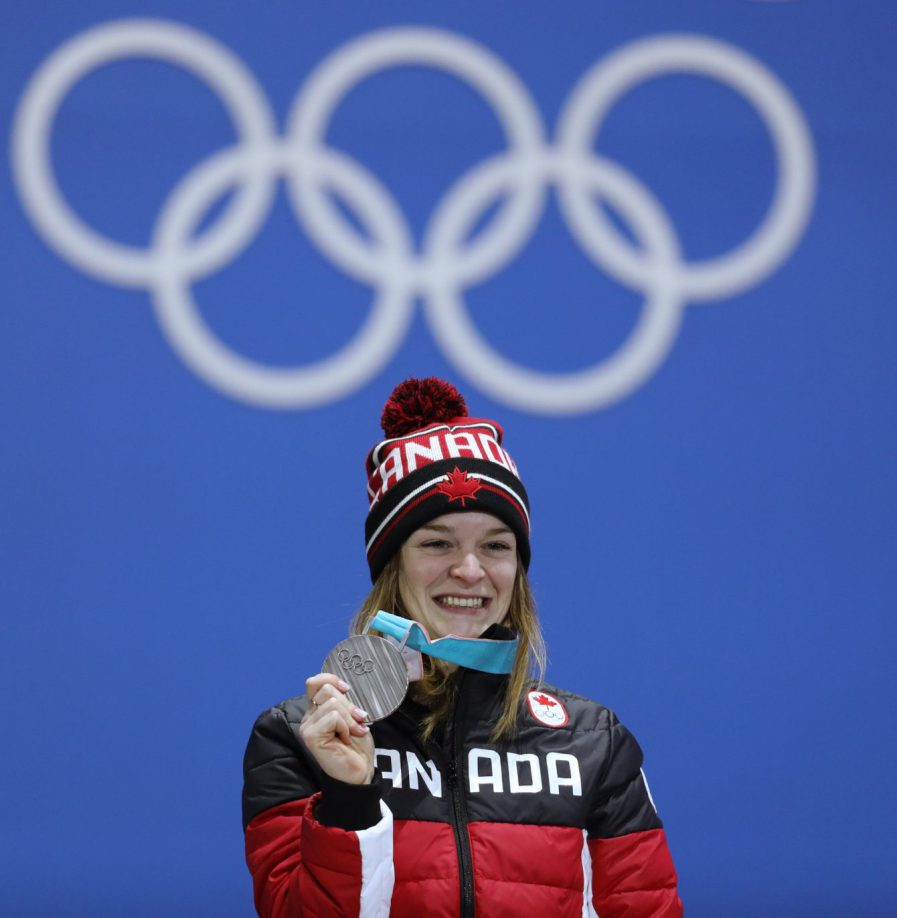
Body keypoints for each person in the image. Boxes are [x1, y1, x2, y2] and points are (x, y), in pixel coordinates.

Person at [242, 377, 683, 917]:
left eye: (495, 546)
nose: (469, 570)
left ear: (517, 571)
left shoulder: (593, 744)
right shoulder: (300, 739)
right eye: (437, 543)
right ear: (392, 567)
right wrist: (349, 799)